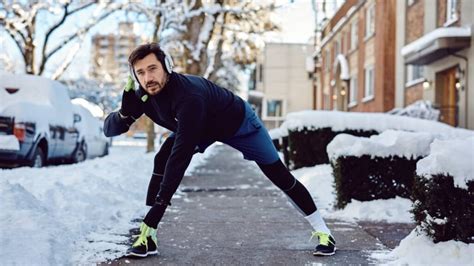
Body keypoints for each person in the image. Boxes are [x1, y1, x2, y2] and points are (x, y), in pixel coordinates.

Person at [103, 43, 336, 258]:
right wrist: (124, 114)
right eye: (140, 72)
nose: (147, 77)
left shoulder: (188, 96)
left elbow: (181, 157)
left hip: (240, 124)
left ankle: (324, 233)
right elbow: (109, 131)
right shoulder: (142, 95)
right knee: (162, 158)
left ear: (167, 67)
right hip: (200, 129)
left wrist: (157, 212)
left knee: (280, 176)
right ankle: (148, 237)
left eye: (152, 69)